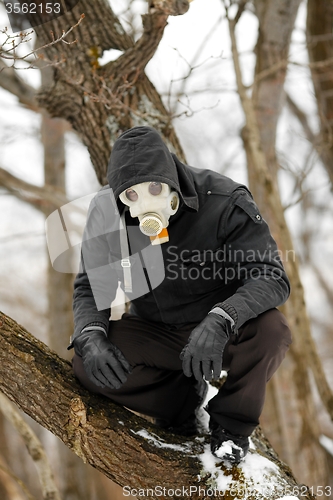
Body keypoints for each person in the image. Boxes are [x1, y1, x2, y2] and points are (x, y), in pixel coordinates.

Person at [69, 126, 292, 464]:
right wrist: (90, 335)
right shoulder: (106, 212)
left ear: (171, 177)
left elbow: (271, 276)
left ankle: (231, 427)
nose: (144, 201)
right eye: (131, 196)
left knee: (273, 331)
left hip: (220, 331)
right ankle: (181, 402)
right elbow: (90, 286)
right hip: (156, 332)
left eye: (155, 188)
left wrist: (222, 318)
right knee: (88, 363)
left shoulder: (224, 200)